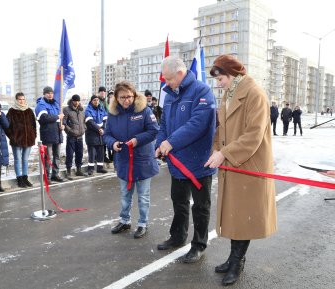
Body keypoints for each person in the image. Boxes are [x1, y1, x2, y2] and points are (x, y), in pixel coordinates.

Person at [205, 55, 277, 286]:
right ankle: (233, 258)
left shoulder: (255, 94)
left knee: (244, 216)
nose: (218, 83)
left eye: (221, 78)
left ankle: (237, 261)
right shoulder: (230, 94)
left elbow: (253, 136)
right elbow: (221, 130)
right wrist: (216, 149)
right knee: (235, 215)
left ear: (233, 75)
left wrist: (224, 153)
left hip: (249, 165)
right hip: (234, 164)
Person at [155, 56, 217, 264]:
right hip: (177, 163)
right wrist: (160, 143)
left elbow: (197, 124)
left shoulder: (202, 91)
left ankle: (199, 244)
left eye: (169, 79)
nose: (167, 83)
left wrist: (170, 142)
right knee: (179, 202)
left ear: (180, 74)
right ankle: (178, 236)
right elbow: (163, 123)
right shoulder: (170, 95)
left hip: (199, 162)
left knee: (200, 206)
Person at [104, 81, 159, 239]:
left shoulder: (144, 110)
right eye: (122, 97)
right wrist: (112, 143)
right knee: (125, 194)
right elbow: (107, 134)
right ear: (116, 98)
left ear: (134, 95)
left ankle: (143, 223)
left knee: (143, 195)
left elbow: (154, 130)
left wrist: (137, 140)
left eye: (129, 96)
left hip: (142, 160)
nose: (126, 100)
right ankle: (124, 220)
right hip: (123, 160)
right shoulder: (113, 114)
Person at [5, 92, 37, 188]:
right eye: (20, 99)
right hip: (17, 141)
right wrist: (12, 136)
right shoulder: (11, 111)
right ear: (16, 100)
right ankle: (19, 178)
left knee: (25, 160)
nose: (22, 101)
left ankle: (25, 177)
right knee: (18, 159)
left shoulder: (29, 111)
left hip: (28, 140)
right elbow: (6, 126)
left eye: (23, 99)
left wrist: (33, 135)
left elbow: (34, 125)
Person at [35, 86, 64, 182]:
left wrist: (62, 125)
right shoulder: (41, 105)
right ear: (44, 94)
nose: (50, 94)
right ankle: (47, 177)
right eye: (48, 93)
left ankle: (55, 174)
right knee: (48, 157)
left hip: (57, 134)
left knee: (57, 156)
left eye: (51, 93)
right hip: (48, 135)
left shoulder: (56, 104)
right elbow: (44, 118)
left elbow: (61, 118)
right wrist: (57, 117)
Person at [63, 94, 86, 179]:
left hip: (80, 136)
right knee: (69, 154)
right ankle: (68, 171)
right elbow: (64, 123)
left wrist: (84, 129)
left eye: (78, 101)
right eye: (75, 101)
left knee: (80, 154)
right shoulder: (66, 110)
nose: (77, 102)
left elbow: (84, 122)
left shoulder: (81, 110)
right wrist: (70, 131)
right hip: (71, 137)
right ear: (72, 101)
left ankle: (78, 170)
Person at [85, 95, 108, 175]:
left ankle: (100, 168)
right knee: (92, 152)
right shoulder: (88, 110)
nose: (96, 101)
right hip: (92, 134)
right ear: (91, 101)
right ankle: (90, 169)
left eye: (97, 100)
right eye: (94, 100)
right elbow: (90, 122)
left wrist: (103, 129)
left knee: (101, 152)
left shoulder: (102, 109)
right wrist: (99, 129)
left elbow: (105, 120)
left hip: (101, 134)